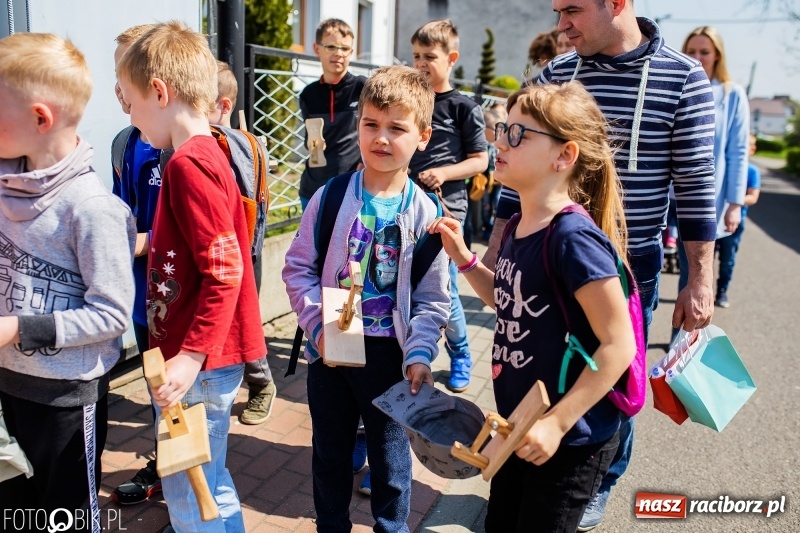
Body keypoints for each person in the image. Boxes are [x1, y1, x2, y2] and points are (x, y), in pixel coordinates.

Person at [483, 1, 718, 529]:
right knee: (545, 358)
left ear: (617, 5)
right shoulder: (557, 71)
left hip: (628, 265)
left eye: (572, 10)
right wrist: (498, 248)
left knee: (615, 381)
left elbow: (698, 186)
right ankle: (537, 466)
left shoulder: (683, 79)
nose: (560, 24)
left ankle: (592, 479)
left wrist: (701, 278)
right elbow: (519, 178)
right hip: (544, 255)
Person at [429, 82, 636, 533]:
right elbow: (509, 302)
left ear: (564, 156)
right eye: (503, 129)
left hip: (567, 441)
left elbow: (619, 345)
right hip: (518, 428)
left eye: (518, 134)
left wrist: (558, 422)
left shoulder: (573, 239)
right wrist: (465, 258)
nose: (499, 141)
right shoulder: (522, 222)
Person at [282, 65, 450, 533]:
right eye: (371, 124)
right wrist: (318, 327)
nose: (381, 138)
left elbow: (434, 297)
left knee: (391, 464)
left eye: (396, 128)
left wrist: (419, 354)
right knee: (330, 455)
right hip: (331, 350)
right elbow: (297, 268)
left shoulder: (427, 213)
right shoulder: (331, 197)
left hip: (390, 358)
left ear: (422, 136)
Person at [116, 21, 265, 532]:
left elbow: (223, 270)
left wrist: (191, 355)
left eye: (131, 104)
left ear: (160, 92)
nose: (130, 119)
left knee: (187, 487)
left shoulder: (187, 164)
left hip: (197, 362)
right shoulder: (207, 153)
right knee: (212, 478)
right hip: (202, 358)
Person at [0, 32, 135, 529]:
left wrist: (16, 329)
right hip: (8, 384)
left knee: (68, 517)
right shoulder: (5, 186)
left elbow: (112, 314)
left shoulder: (92, 209)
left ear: (40, 118)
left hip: (63, 398)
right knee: (20, 512)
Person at [409, 19, 488, 393]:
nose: (421, 63)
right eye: (416, 56)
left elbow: (480, 160)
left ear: (451, 58)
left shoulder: (463, 106)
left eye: (430, 56)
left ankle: (460, 354)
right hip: (408, 207)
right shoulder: (412, 100)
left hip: (445, 211)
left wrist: (443, 171)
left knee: (446, 290)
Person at [109, 23, 165, 507]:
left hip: (182, 299)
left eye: (128, 72)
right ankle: (164, 461)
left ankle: (195, 485)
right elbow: (120, 209)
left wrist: (148, 241)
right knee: (155, 384)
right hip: (143, 299)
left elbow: (209, 231)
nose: (119, 87)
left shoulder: (187, 142)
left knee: (185, 392)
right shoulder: (125, 143)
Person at [211, 60, 279, 426]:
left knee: (244, 323)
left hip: (240, 251)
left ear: (222, 104)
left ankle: (261, 384)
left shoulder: (238, 146)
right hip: (215, 254)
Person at [679, 26, 749, 309]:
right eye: (691, 51)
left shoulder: (731, 95)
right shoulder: (678, 85)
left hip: (702, 200)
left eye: (704, 52)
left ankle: (682, 347)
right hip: (665, 198)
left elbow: (738, 151)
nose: (697, 57)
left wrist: (735, 203)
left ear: (717, 55)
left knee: (693, 279)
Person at [298, 18, 367, 209]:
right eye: (331, 46)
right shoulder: (308, 95)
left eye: (345, 48)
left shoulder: (363, 88)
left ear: (351, 52)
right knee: (314, 240)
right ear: (316, 49)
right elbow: (310, 140)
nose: (339, 54)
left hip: (352, 188)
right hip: (313, 190)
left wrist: (365, 162)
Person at [714, 134, 760, 307]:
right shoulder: (723, 166)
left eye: (749, 145)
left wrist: (734, 197)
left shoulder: (752, 171)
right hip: (714, 218)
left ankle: (722, 291)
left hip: (734, 224)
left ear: (752, 150)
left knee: (728, 260)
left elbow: (753, 197)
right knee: (706, 259)